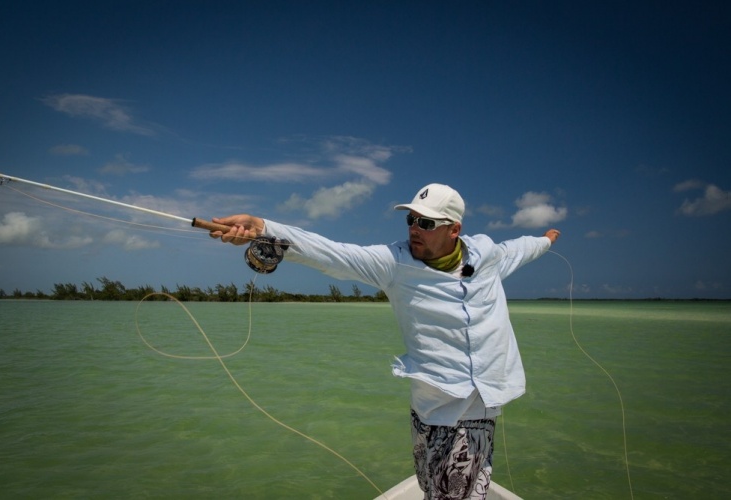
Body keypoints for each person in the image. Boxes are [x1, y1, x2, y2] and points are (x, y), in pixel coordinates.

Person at [209, 183, 560, 500]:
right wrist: (263, 228)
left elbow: (517, 249)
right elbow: (332, 253)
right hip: (427, 407)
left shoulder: (485, 254)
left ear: (454, 230)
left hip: (476, 405)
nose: (413, 230)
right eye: (411, 220)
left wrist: (545, 240)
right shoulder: (395, 263)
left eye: (426, 223)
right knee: (429, 486)